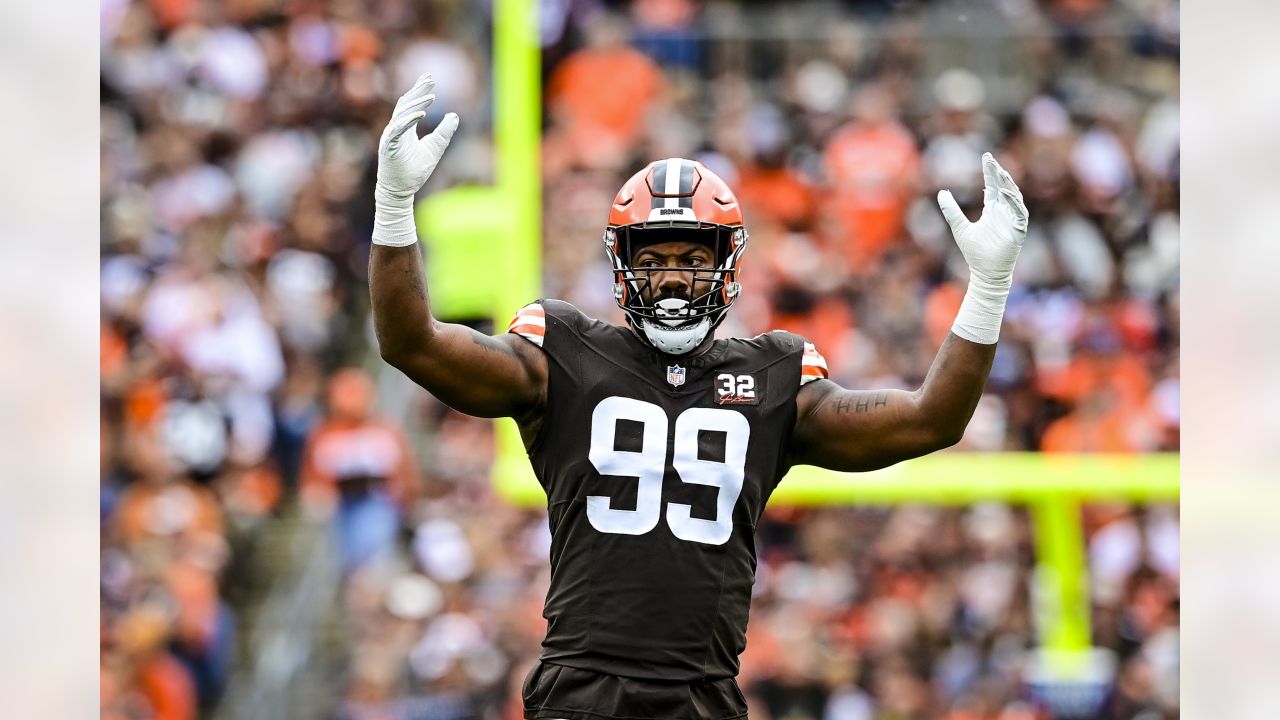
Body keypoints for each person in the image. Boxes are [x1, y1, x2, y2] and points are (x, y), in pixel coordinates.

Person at [368, 75, 1029, 720]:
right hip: (584, 695)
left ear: (728, 263)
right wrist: (395, 207)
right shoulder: (563, 354)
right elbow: (412, 345)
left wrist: (989, 289)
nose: (675, 279)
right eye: (653, 260)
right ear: (622, 265)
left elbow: (929, 420)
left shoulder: (774, 378)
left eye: (692, 257)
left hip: (704, 697)